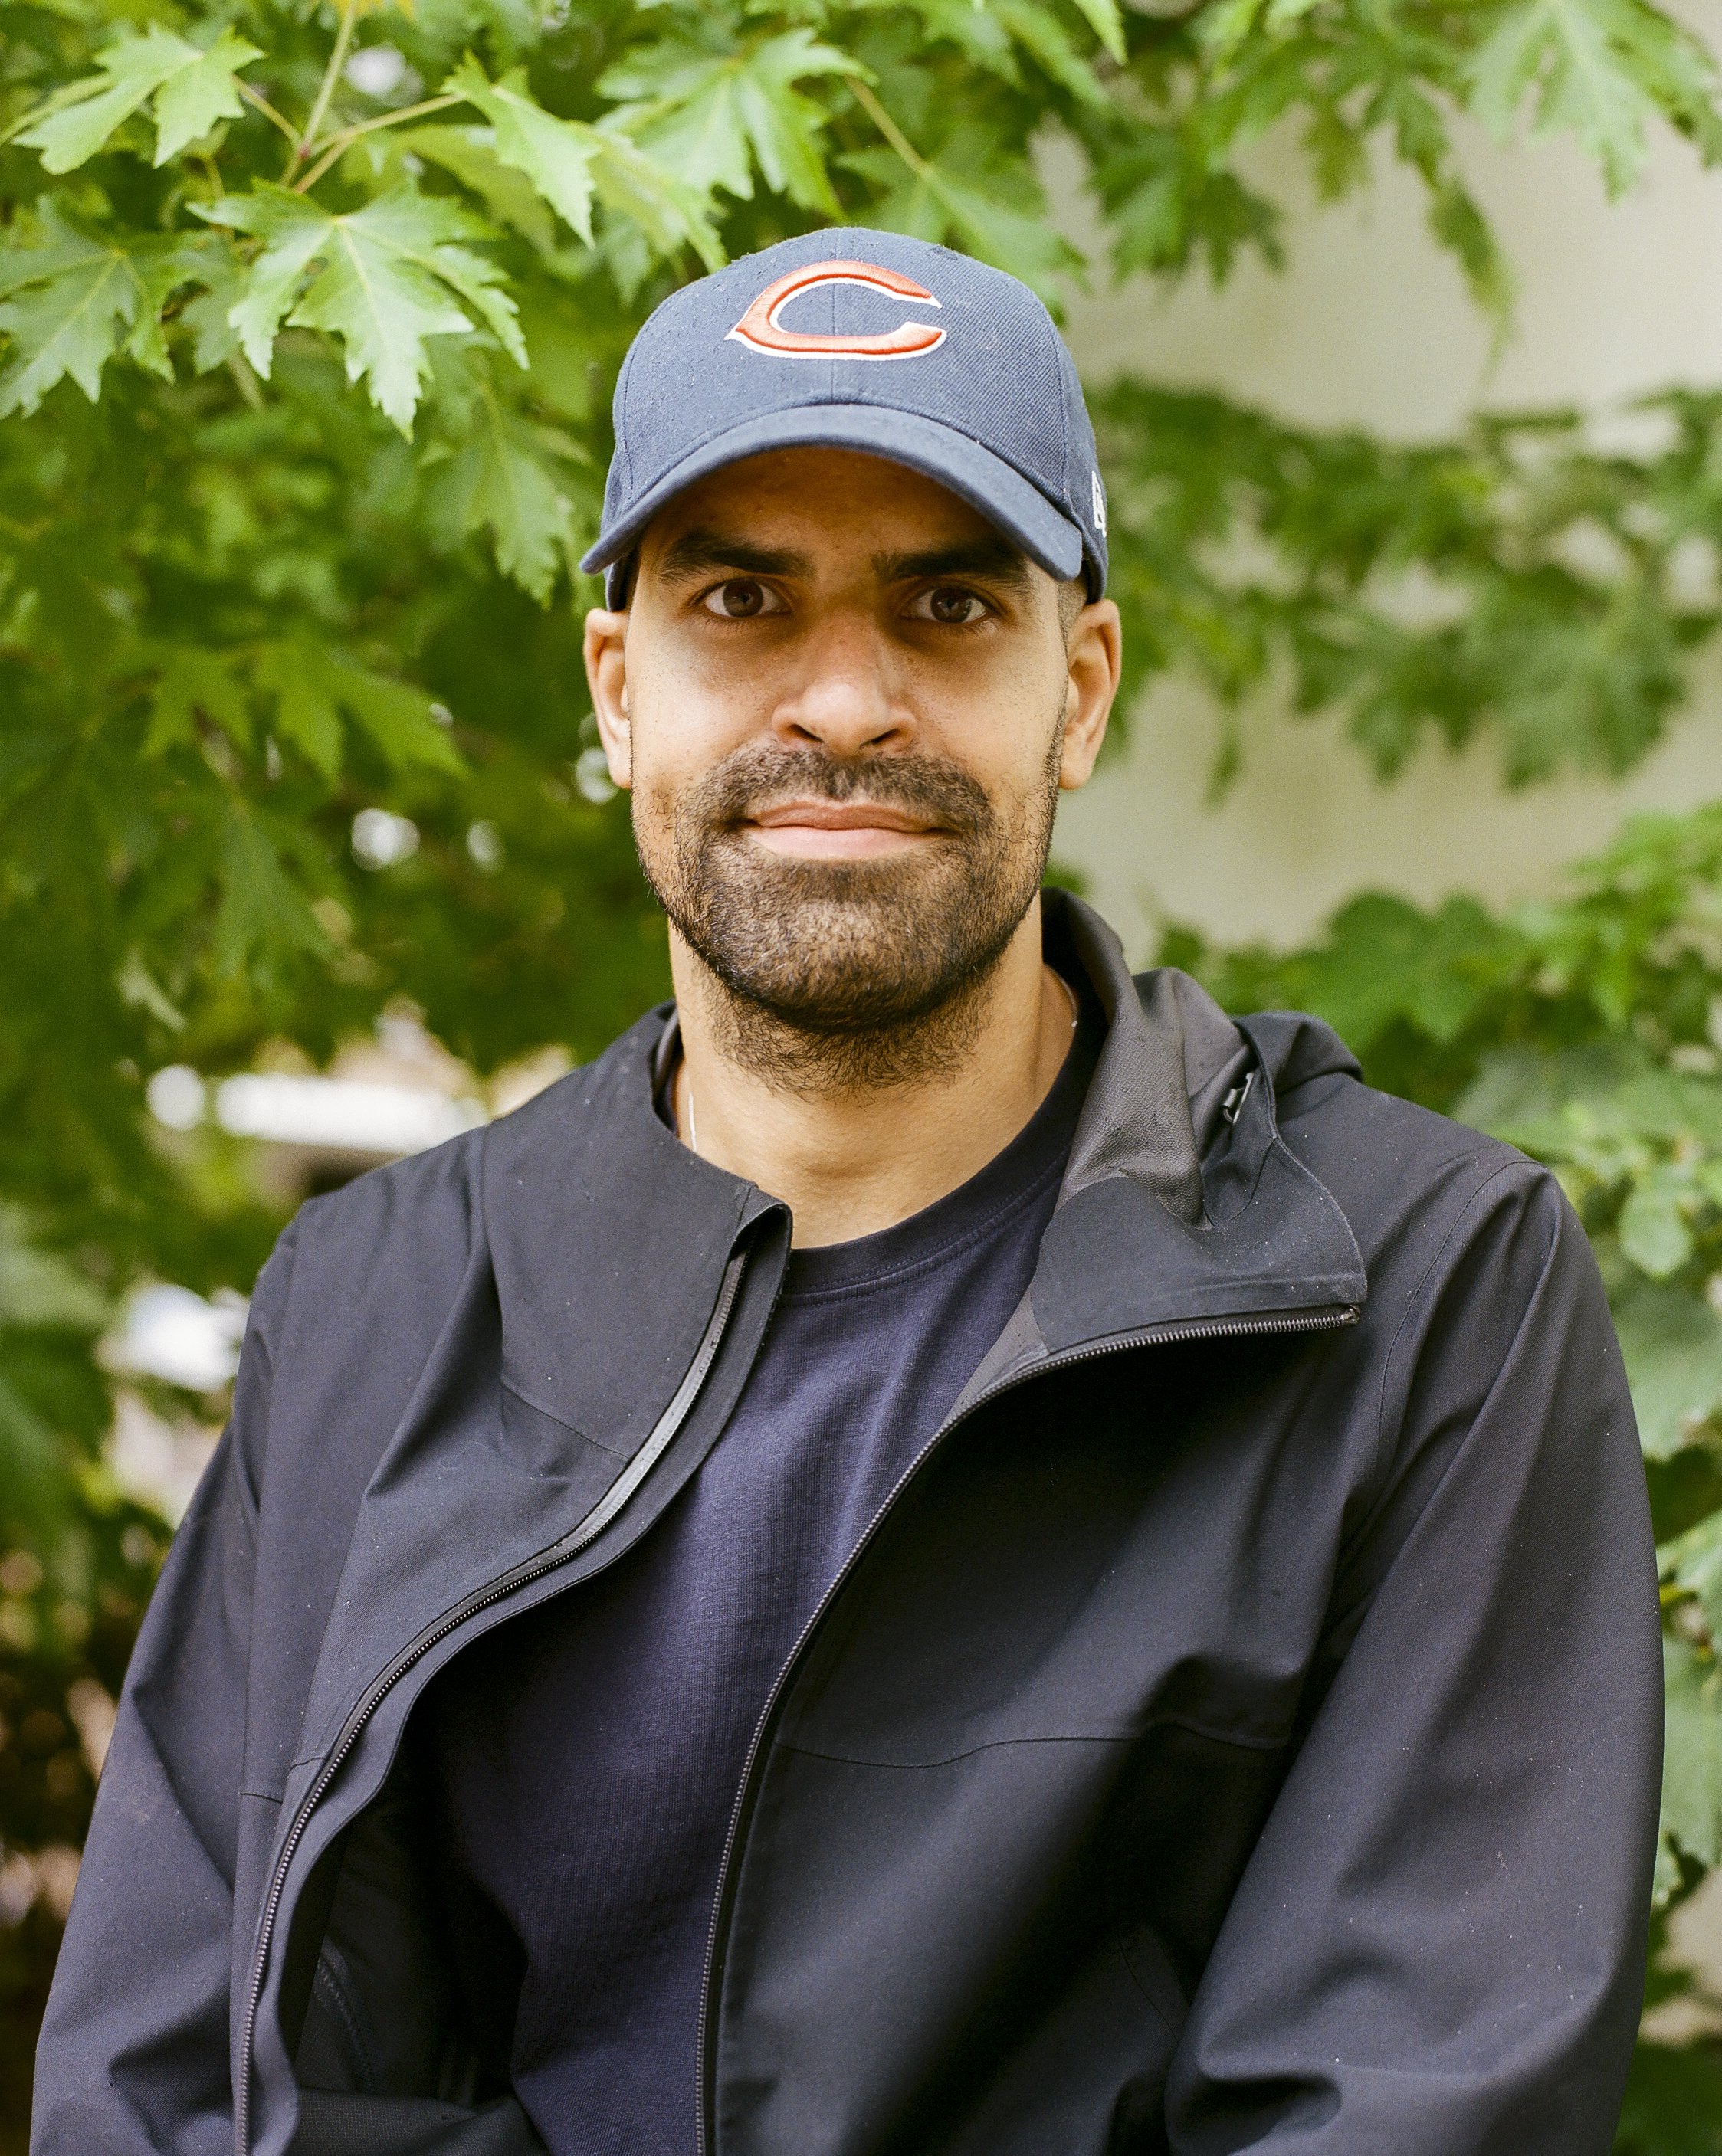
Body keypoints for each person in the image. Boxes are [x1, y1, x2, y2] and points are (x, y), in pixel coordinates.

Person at [34, 230, 1660, 2156]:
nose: (848, 702)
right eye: (743, 598)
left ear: (1081, 686)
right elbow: (183, 2084)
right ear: (619, 690)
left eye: (947, 606)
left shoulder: (1409, 1290)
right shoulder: (380, 1301)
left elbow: (1406, 2105)